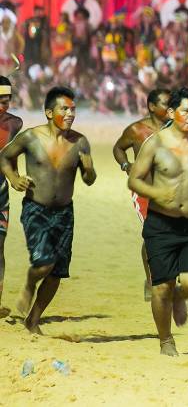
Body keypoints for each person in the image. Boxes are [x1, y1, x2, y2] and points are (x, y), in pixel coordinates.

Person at [128, 88, 188, 356]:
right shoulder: (156, 143)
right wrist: (157, 193)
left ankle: (182, 295)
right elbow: (134, 180)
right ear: (171, 113)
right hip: (161, 224)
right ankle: (166, 340)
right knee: (161, 287)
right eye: (186, 111)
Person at [0, 86, 96, 333]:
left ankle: (33, 319)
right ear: (49, 112)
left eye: (73, 109)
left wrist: (88, 168)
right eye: (64, 109)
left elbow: (89, 179)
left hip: (65, 213)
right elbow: (4, 156)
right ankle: (30, 284)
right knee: (44, 263)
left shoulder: (80, 141)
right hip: (36, 209)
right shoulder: (31, 137)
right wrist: (13, 178)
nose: (70, 113)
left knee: (57, 272)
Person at [112, 88, 171, 299]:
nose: (170, 107)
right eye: (165, 103)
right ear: (152, 107)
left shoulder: (177, 129)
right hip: (145, 191)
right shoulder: (137, 130)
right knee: (152, 235)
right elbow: (118, 148)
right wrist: (126, 165)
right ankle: (151, 280)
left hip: (172, 190)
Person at [0, 76, 24, 317]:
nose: (1, 106)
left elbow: (10, 156)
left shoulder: (14, 124)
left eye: (5, 101)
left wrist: (16, 178)